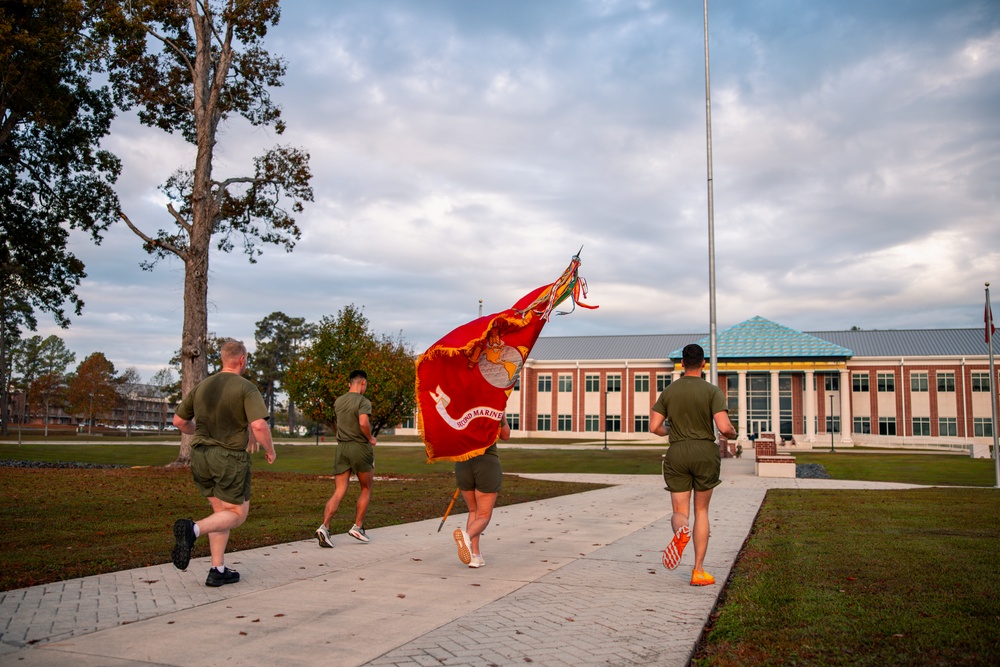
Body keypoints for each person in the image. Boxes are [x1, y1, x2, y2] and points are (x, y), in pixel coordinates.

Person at [171, 339, 276, 587]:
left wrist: (201, 432)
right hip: (228, 458)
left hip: (200, 457)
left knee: (221, 513)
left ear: (222, 359)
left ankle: (217, 570)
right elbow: (259, 425)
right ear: (241, 359)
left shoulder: (202, 386)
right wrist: (270, 450)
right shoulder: (246, 388)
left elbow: (179, 421)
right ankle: (192, 529)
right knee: (237, 514)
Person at [649, 343, 737, 586]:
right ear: (703, 364)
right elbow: (724, 427)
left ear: (682, 364)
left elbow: (655, 426)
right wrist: (733, 433)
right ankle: (698, 571)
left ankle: (681, 531)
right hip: (704, 452)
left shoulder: (669, 391)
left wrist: (671, 429)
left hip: (677, 452)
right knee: (702, 511)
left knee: (680, 511)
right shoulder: (712, 391)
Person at [315, 370, 378, 547]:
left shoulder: (339, 401)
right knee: (366, 488)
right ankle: (357, 527)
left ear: (349, 383)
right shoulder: (363, 401)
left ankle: (324, 527)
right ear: (363, 383)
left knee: (339, 490)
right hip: (360, 447)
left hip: (342, 448)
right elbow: (363, 423)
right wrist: (371, 438)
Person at [452, 415, 511, 568]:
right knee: (484, 515)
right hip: (486, 462)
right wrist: (502, 414)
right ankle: (466, 536)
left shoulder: (461, 409)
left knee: (473, 510)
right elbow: (505, 435)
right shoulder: (491, 407)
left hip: (463, 463)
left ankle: (475, 555)